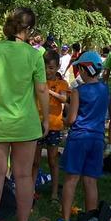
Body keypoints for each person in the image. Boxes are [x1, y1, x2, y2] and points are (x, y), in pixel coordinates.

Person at [0, 7, 49, 221]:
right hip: (25, 124)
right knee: (24, 176)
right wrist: (46, 118)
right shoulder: (35, 55)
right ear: (28, 29)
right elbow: (42, 90)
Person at [60, 52, 109, 216]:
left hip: (79, 138)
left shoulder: (78, 91)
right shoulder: (105, 89)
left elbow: (72, 118)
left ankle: (65, 219)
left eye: (79, 68)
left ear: (84, 69)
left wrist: (64, 120)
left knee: (71, 179)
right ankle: (91, 219)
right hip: (97, 139)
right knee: (90, 181)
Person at [42, 50, 70, 203]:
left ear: (58, 67)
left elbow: (64, 98)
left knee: (53, 160)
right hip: (38, 124)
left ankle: (54, 192)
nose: (48, 71)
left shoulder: (62, 83)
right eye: (46, 67)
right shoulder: (39, 81)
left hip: (54, 125)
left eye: (51, 68)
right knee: (34, 161)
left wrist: (50, 93)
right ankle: (31, 189)